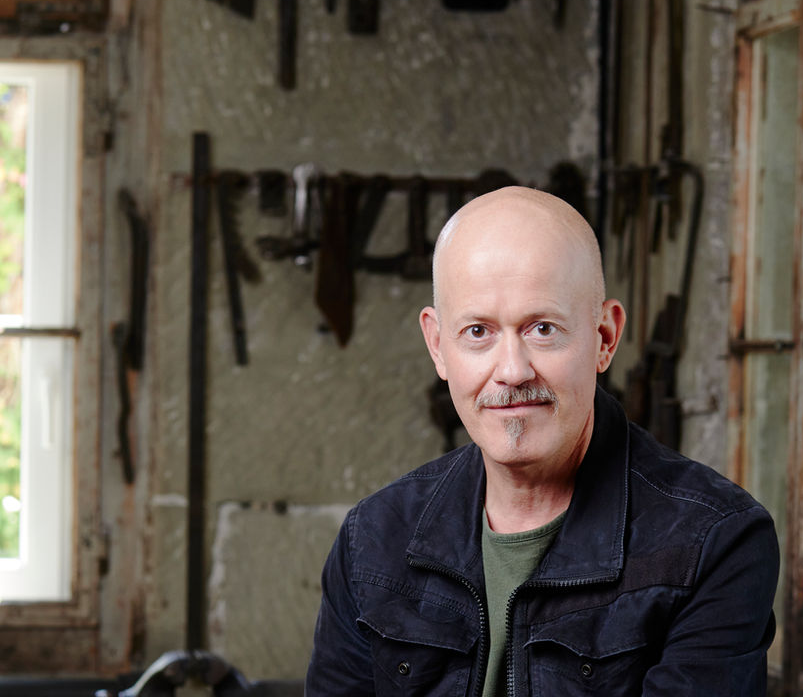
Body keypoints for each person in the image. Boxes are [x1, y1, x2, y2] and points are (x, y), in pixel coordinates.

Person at [305, 186, 778, 696]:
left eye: (543, 328)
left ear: (604, 337)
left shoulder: (715, 545)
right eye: (478, 332)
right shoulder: (372, 541)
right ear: (438, 346)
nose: (511, 371)